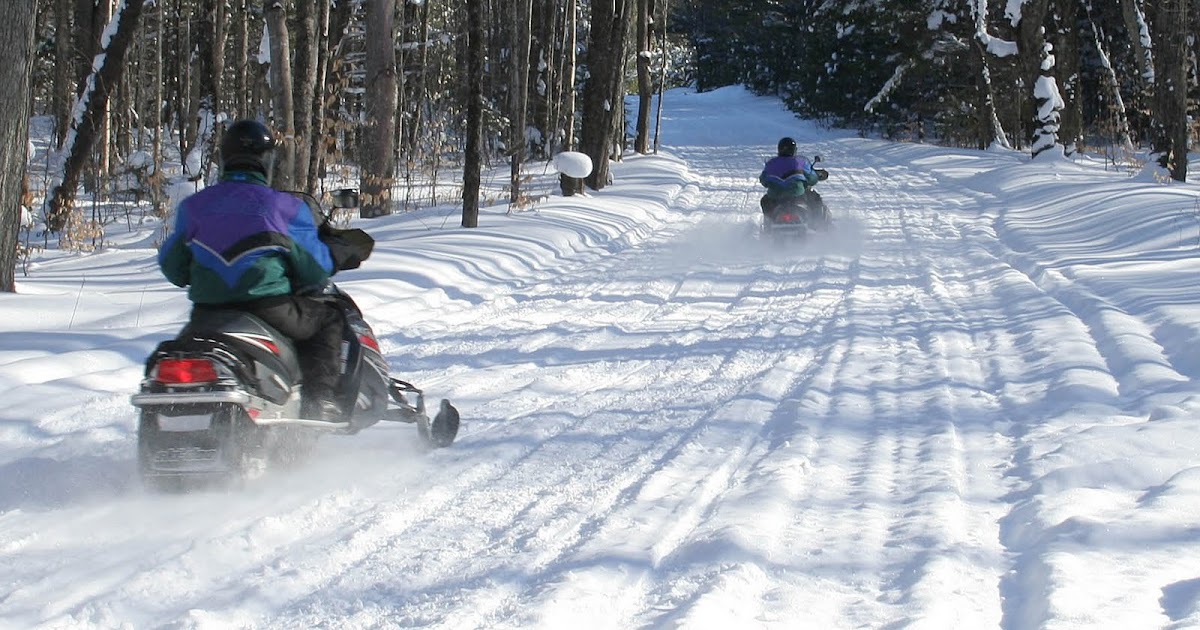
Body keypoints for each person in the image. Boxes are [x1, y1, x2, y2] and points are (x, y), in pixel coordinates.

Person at [158, 119, 345, 422]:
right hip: (268, 308)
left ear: (224, 159)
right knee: (328, 321)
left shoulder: (194, 207)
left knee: (171, 359)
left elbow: (172, 268)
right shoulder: (285, 208)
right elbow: (315, 270)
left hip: (206, 315)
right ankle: (318, 404)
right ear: (267, 161)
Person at [759, 137, 821, 217]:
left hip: (775, 199)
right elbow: (812, 179)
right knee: (815, 198)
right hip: (797, 197)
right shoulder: (801, 162)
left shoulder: (771, 163)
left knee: (765, 201)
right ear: (794, 150)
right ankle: (819, 224)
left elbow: (763, 180)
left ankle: (769, 224)